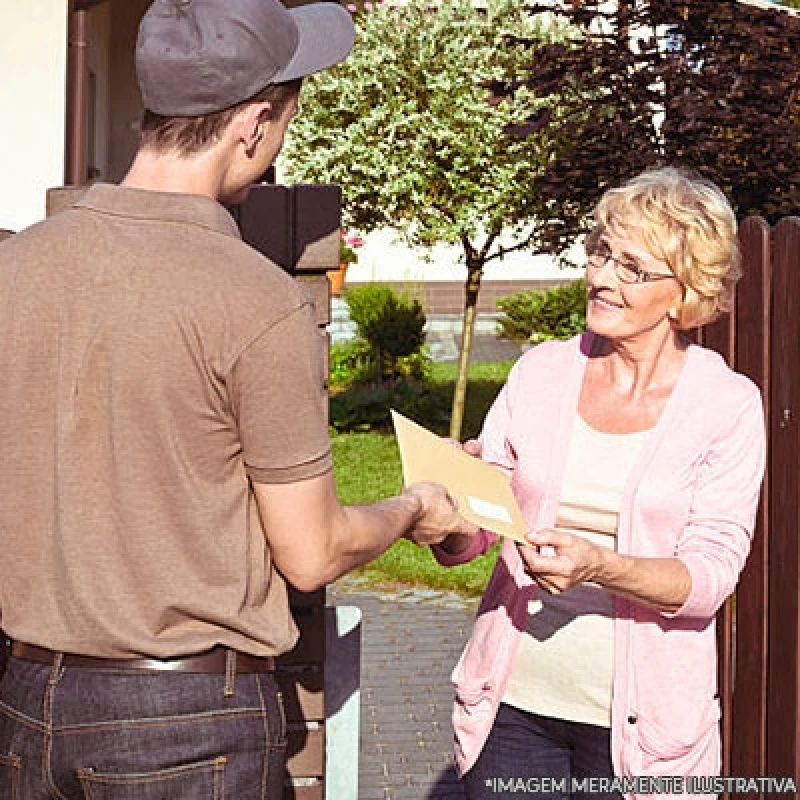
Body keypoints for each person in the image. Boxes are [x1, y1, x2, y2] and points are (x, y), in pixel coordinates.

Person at [0, 1, 478, 798]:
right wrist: (416, 508)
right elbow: (313, 550)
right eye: (287, 118)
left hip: (23, 708)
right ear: (253, 125)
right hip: (187, 724)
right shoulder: (257, 301)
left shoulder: (18, 271)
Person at [431, 167, 766, 800]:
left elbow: (710, 577)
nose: (602, 276)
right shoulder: (540, 372)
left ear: (686, 289)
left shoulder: (727, 404)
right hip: (515, 710)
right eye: (601, 251)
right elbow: (479, 527)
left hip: (647, 736)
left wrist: (602, 566)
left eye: (632, 267)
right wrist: (447, 511)